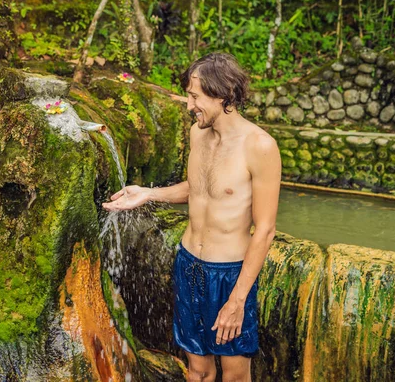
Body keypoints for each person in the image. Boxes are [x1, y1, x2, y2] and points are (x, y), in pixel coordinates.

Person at [102, 52, 281, 381]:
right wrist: (148, 193)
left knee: (234, 373)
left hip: (228, 275)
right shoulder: (199, 133)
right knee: (197, 369)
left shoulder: (260, 146)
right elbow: (199, 189)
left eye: (194, 96)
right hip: (188, 266)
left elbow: (265, 230)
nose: (188, 105)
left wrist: (237, 299)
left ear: (222, 94)